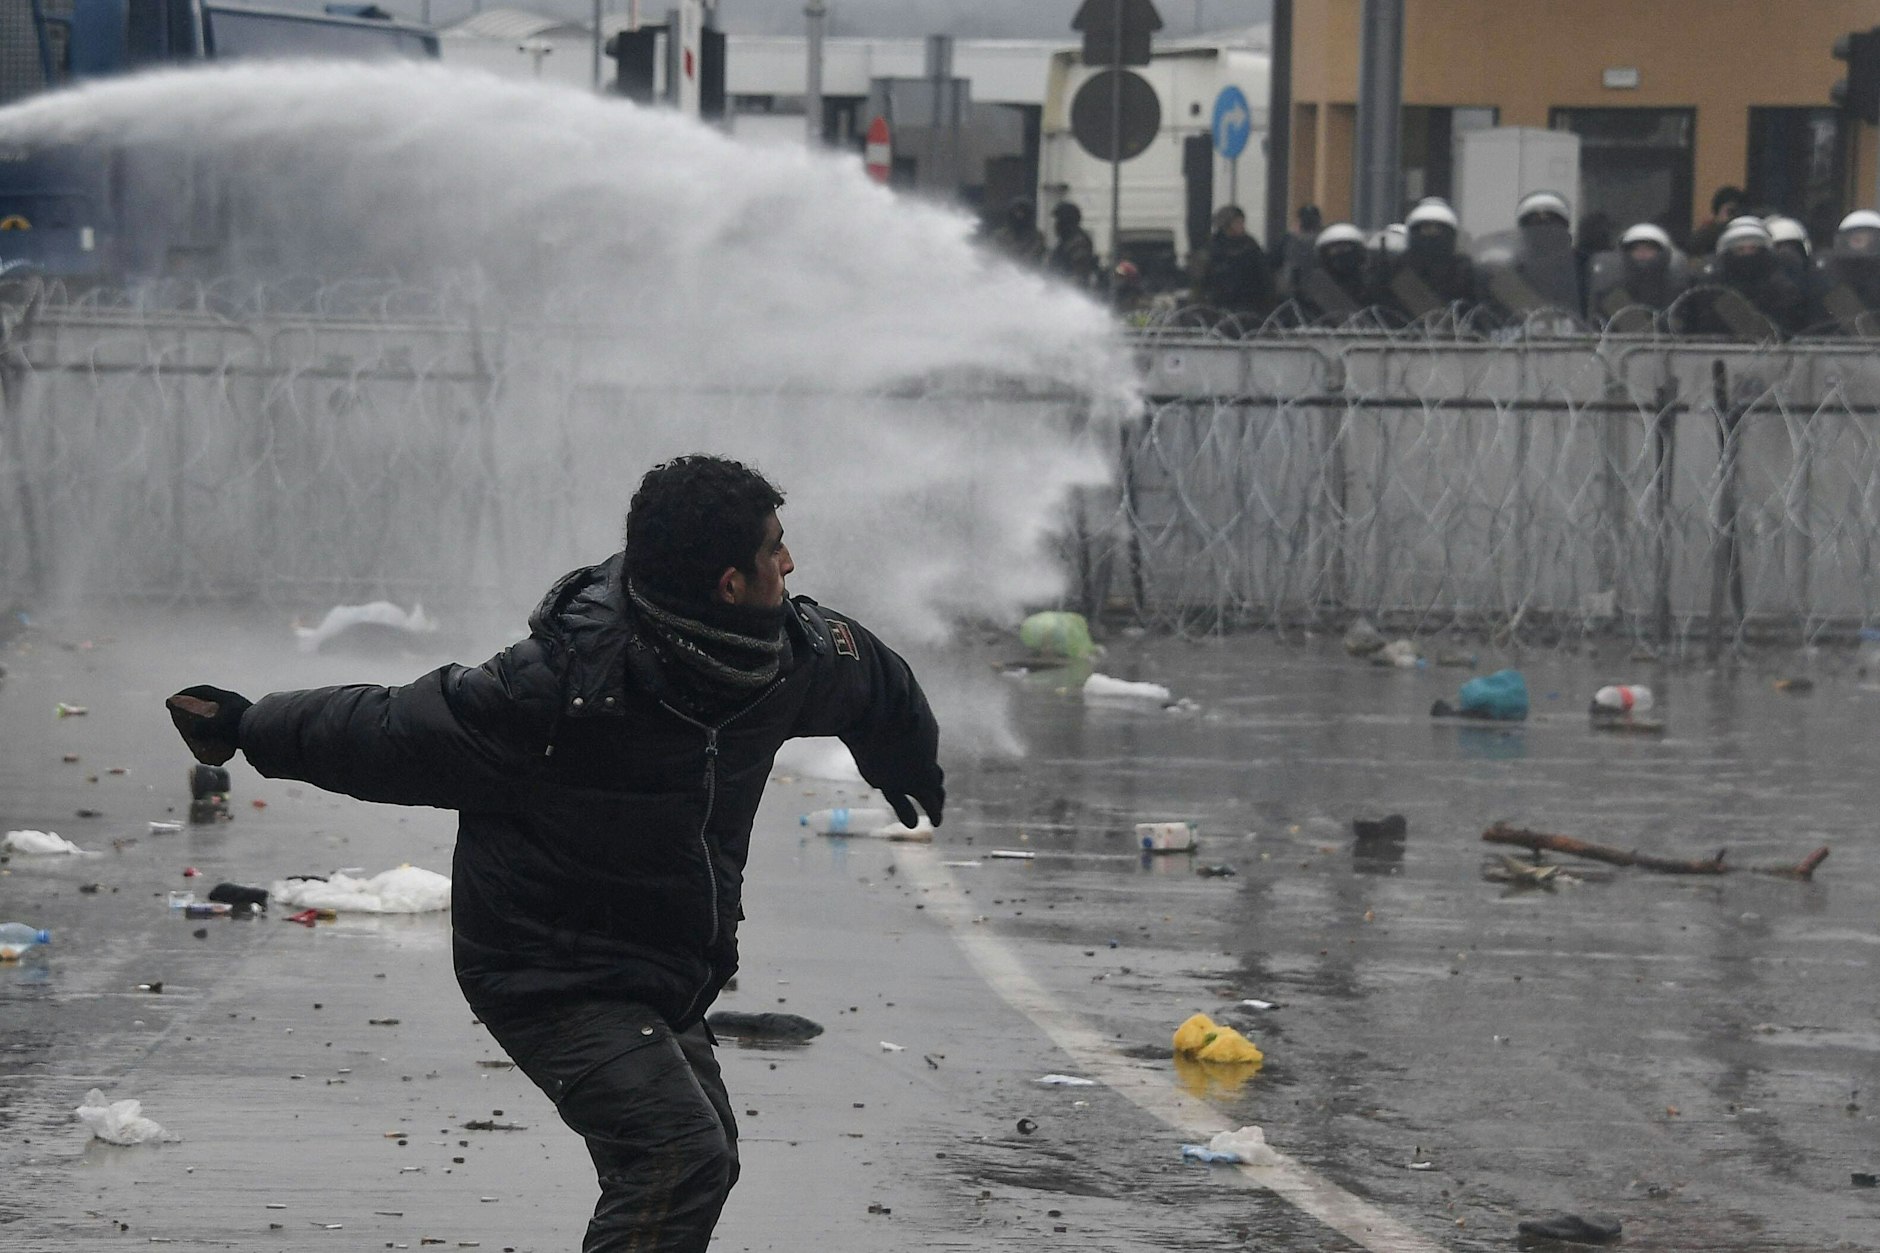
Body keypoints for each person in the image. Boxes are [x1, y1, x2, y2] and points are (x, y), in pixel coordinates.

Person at [163, 455, 945, 1253]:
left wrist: (903, 756)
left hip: (664, 964)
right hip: (547, 967)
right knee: (676, 1155)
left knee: (703, 1155)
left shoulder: (786, 657)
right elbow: (389, 731)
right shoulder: (558, 690)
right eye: (774, 547)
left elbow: (873, 678)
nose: (791, 561)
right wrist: (249, 725)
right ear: (729, 583)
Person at [1475, 190, 1584, 328]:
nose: (1544, 235)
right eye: (1535, 228)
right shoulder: (1504, 275)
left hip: (1577, 340)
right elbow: (1488, 324)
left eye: (1552, 227)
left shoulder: (1583, 270)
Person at [1687, 216, 1806, 339]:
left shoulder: (1781, 287)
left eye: (1753, 248)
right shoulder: (1711, 287)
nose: (1747, 254)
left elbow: (1790, 325)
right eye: (1740, 249)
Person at [1376, 198, 1473, 324]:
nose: (1432, 235)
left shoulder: (1463, 271)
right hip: (1403, 331)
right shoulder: (1397, 269)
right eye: (1426, 228)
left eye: (1438, 229)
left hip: (1455, 332)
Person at [1584, 222, 1687, 333]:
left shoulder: (1677, 290)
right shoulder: (1611, 292)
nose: (1642, 253)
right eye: (1636, 249)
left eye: (1649, 249)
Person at [1188, 204, 1275, 327]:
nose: (1241, 226)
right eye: (1237, 222)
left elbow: (1263, 275)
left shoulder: (1249, 245)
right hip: (1219, 305)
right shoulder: (1213, 247)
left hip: (1248, 304)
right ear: (1226, 225)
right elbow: (1201, 279)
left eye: (1242, 222)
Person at [1289, 221, 1373, 324]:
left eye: (1346, 248)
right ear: (1324, 255)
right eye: (1335, 249)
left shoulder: (1370, 287)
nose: (1341, 254)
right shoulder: (1316, 288)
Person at [1813, 208, 1880, 334]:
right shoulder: (1830, 273)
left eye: (1865, 235)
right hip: (1833, 341)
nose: (1858, 239)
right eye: (1854, 236)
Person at [1046, 201, 1098, 289]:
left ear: (1067, 221)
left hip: (1066, 291)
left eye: (1059, 221)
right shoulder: (1065, 241)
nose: (1056, 225)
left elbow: (1079, 274)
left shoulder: (1078, 243)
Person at [1687, 184, 1745, 257]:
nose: (1734, 217)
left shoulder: (1744, 233)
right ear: (1717, 212)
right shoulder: (1707, 234)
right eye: (1731, 212)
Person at [987, 196, 1046, 266]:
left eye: (1023, 212)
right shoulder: (1000, 236)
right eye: (1017, 211)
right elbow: (994, 254)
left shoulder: (1037, 237)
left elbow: (1034, 255)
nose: (1019, 215)